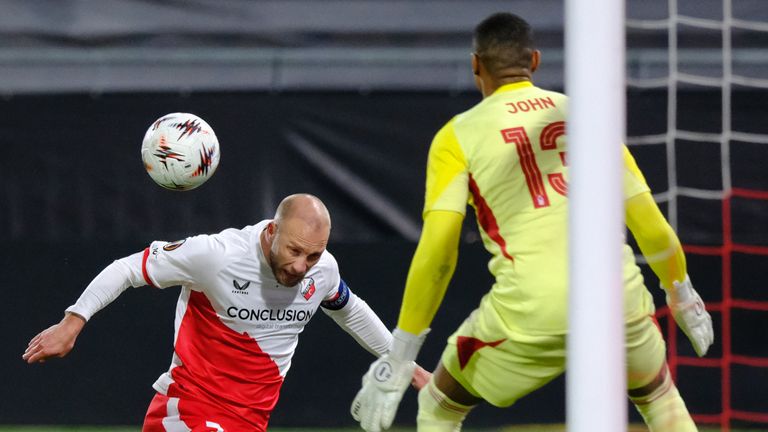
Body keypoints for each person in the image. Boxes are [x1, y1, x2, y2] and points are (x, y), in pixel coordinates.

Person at [350, 12, 714, 432]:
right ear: (535, 61)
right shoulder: (586, 115)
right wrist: (682, 294)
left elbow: (439, 254)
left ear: (475, 65)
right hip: (618, 297)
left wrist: (400, 355)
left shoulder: (458, 136)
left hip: (534, 309)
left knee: (439, 404)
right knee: (659, 398)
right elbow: (651, 227)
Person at [23, 193, 422, 431]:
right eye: (294, 251)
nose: (302, 266)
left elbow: (350, 310)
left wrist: (406, 364)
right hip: (188, 409)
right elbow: (129, 268)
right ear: (271, 231)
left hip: (249, 420)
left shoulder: (323, 270)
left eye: (313, 255)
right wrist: (73, 320)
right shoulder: (217, 256)